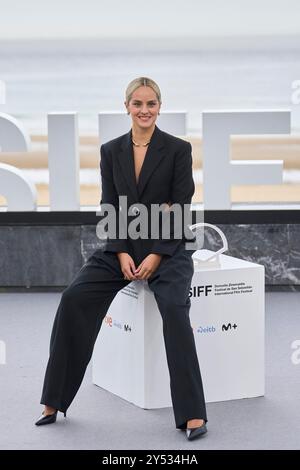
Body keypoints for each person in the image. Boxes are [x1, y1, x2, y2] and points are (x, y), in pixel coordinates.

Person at [35, 76, 208, 441]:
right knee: (73, 298)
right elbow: (111, 205)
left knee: (175, 313)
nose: (144, 110)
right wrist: (124, 250)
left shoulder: (178, 149)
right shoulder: (111, 150)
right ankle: (54, 400)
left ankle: (193, 415)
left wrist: (158, 255)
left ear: (159, 107)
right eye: (138, 104)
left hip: (170, 249)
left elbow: (179, 207)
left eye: (151, 104)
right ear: (126, 106)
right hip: (123, 247)